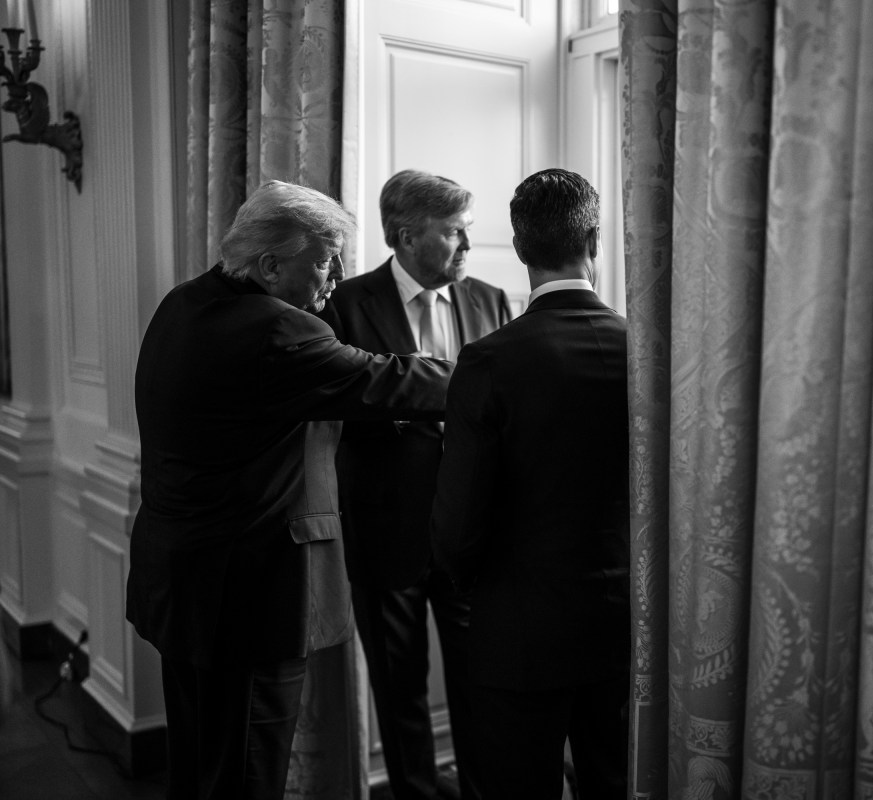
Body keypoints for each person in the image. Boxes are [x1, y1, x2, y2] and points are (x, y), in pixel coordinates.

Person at [126, 180, 453, 800]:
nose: (336, 279)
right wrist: (495, 370)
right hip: (247, 597)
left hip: (182, 584)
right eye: (325, 262)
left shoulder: (184, 303)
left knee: (197, 767)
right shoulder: (275, 331)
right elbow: (387, 381)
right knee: (248, 776)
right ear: (271, 265)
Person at [430, 168, 631, 798]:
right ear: (595, 241)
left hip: (518, 628)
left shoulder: (490, 360)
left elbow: (458, 516)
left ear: (520, 250)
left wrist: (465, 589)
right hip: (626, 623)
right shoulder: (647, 349)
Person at [318, 170, 509, 800]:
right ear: (404, 235)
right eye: (455, 233)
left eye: (467, 232)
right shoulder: (345, 305)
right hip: (384, 531)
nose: (467, 248)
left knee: (482, 685)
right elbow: (336, 412)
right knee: (400, 694)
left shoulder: (491, 301)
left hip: (472, 537)